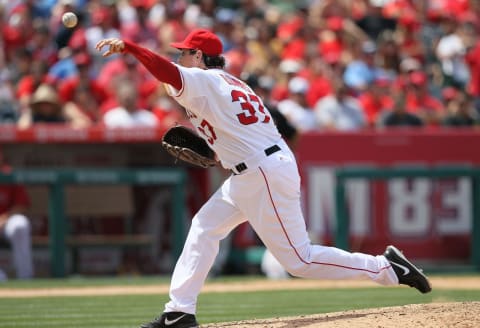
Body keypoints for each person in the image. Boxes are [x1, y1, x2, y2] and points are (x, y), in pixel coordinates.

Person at [96, 28, 432, 328]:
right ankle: (179, 312)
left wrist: (130, 47)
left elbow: (165, 70)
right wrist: (218, 153)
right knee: (204, 227)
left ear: (199, 56)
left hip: (262, 172)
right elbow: (242, 130)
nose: (179, 56)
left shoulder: (206, 79)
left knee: (299, 260)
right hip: (254, 170)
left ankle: (386, 267)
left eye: (184, 51)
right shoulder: (232, 83)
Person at [0, 151, 34, 280]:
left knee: (20, 224)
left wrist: (5, 217)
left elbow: (22, 204)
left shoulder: (9, 173)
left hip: (5, 221)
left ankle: (25, 277)